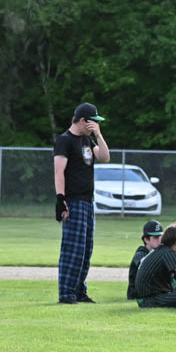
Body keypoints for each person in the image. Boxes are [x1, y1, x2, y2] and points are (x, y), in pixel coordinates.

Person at [54, 102, 110, 304]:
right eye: (93, 121)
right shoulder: (65, 141)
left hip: (87, 202)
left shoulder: (87, 140)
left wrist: (99, 135)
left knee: (86, 250)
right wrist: (61, 199)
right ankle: (66, 293)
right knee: (73, 250)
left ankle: (79, 291)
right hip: (73, 201)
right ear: (83, 120)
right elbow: (59, 171)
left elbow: (104, 157)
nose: (95, 125)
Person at [127, 220, 163, 300]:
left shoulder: (160, 252)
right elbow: (146, 262)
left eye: (160, 236)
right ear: (146, 239)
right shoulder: (140, 253)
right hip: (137, 295)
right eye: (156, 237)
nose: (159, 240)